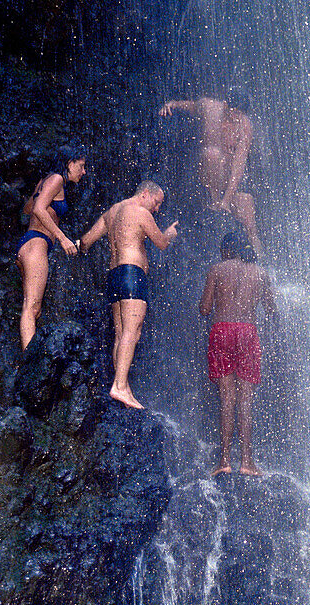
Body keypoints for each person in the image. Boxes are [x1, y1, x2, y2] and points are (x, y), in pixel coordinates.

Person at [78, 181, 178, 409]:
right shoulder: (140, 212)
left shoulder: (112, 212)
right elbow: (161, 243)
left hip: (114, 275)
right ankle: (120, 386)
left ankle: (124, 388)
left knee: (122, 333)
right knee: (133, 331)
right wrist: (170, 233)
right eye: (156, 202)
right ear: (145, 194)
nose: (157, 208)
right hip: (132, 273)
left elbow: (86, 241)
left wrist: (73, 246)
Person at [200, 231, 277, 476]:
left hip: (221, 331)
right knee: (246, 399)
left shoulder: (217, 270)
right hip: (247, 333)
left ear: (226, 250)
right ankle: (246, 462)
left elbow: (204, 309)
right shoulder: (261, 273)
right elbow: (272, 311)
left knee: (227, 398)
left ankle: (224, 461)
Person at [159, 89, 261, 255]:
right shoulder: (209, 108)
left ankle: (259, 263)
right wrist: (171, 104)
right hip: (207, 174)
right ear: (226, 106)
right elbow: (191, 106)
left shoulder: (245, 125)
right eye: (234, 114)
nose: (236, 119)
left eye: (239, 116)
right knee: (212, 154)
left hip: (229, 181)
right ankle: (214, 200)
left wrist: (227, 199)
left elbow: (239, 164)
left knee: (247, 206)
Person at [16, 144, 87, 349]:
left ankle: (28, 358)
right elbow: (38, 209)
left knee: (33, 309)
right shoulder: (56, 179)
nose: (84, 171)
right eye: (81, 166)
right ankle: (29, 364)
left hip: (29, 244)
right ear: (69, 163)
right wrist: (62, 238)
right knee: (31, 308)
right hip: (36, 244)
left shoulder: (46, 181)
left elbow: (28, 208)